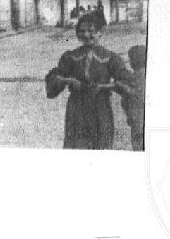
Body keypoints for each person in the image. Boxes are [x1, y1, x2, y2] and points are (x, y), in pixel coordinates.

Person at [45, 13, 134, 150]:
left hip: (101, 107)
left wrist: (105, 86)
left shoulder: (111, 57)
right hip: (77, 108)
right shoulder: (70, 57)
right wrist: (68, 80)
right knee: (76, 145)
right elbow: (54, 78)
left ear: (100, 32)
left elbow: (127, 81)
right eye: (82, 31)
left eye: (91, 31)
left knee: (101, 145)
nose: (86, 35)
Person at [123, 44, 147, 151]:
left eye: (131, 59)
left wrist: (125, 88)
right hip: (136, 114)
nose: (130, 62)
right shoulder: (139, 73)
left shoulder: (140, 74)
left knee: (138, 141)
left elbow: (139, 95)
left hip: (138, 115)